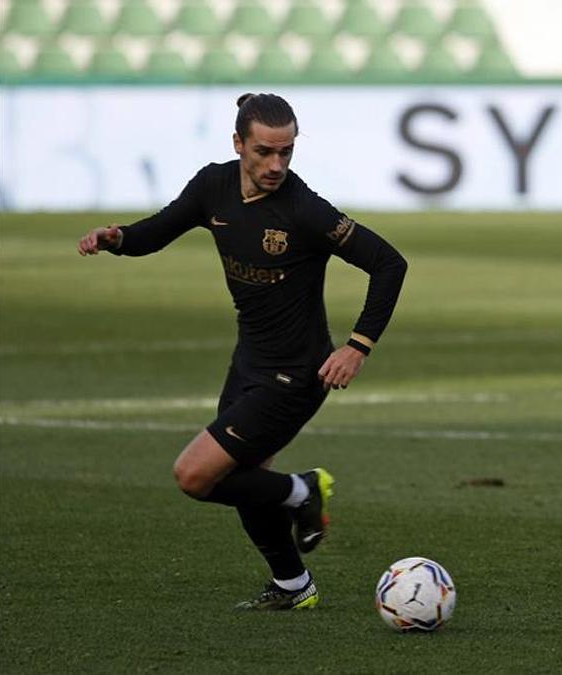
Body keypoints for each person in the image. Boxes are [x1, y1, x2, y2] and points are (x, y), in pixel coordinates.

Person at [77, 93, 408, 610]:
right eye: (264, 152)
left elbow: (389, 263)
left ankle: (303, 490)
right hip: (249, 361)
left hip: (298, 373)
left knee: (195, 475)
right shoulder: (214, 184)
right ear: (238, 144)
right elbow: (159, 230)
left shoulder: (305, 210)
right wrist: (117, 238)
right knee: (244, 478)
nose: (276, 164)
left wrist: (357, 346)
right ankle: (293, 587)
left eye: (287, 152)